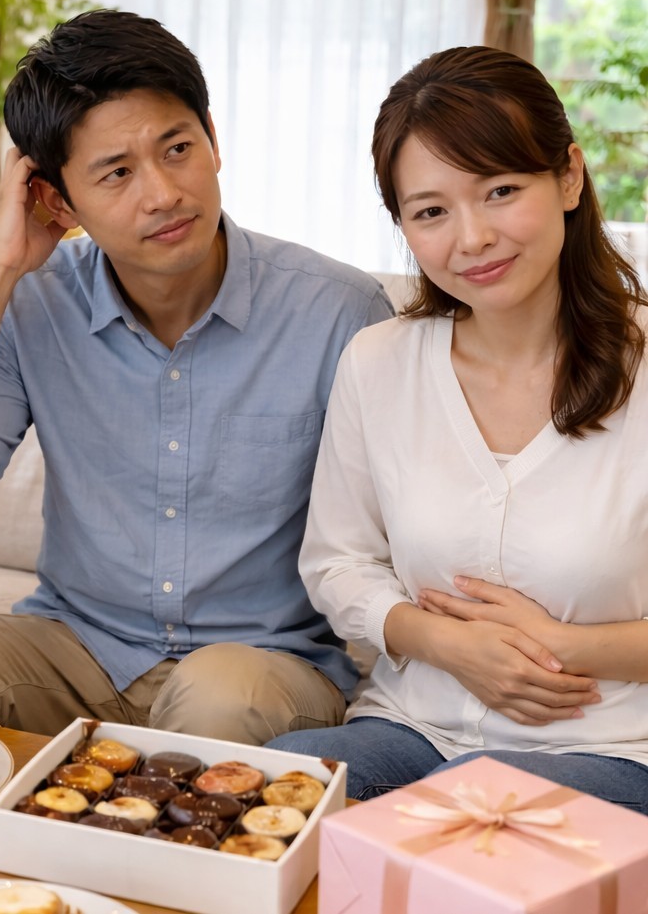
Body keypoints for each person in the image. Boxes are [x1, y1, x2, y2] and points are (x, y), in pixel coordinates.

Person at [0, 9, 392, 746]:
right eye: (116, 172)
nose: (163, 193)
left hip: (256, 664)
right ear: (55, 199)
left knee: (217, 702)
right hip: (79, 651)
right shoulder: (33, 300)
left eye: (177, 149)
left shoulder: (339, 311)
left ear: (213, 137)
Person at [266, 45, 648, 814]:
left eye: (500, 190)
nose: (470, 238)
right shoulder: (379, 363)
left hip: (613, 746)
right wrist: (445, 643)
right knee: (264, 788)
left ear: (568, 177)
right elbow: (338, 563)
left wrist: (564, 649)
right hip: (410, 727)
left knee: (455, 824)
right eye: (431, 211)